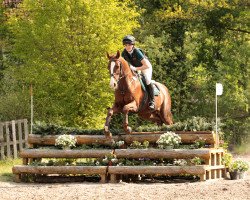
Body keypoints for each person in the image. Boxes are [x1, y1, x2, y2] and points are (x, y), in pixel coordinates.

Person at [121, 35, 155, 110]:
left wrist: (135, 68)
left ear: (133, 45)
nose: (127, 47)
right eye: (126, 45)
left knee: (147, 80)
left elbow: (146, 65)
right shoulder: (124, 53)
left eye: (129, 45)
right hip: (135, 68)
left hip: (145, 67)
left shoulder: (137, 52)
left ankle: (152, 101)